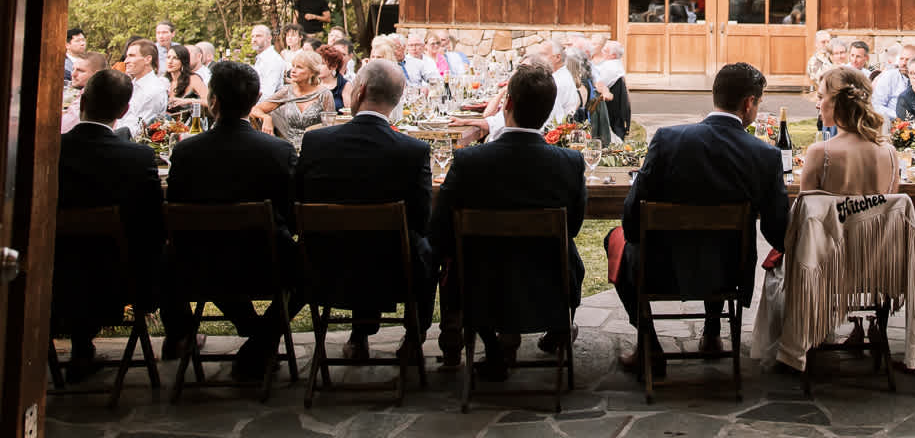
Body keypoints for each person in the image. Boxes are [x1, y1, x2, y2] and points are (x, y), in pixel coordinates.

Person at [609, 62, 790, 376]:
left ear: (715, 95)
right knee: (717, 244)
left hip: (659, 269)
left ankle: (649, 344)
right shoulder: (765, 156)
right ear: (749, 103)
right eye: (758, 103)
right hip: (728, 272)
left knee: (616, 238)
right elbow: (777, 231)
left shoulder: (668, 139)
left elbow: (631, 216)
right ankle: (711, 333)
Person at [431, 62, 587, 377]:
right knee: (568, 252)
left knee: (456, 258)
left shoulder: (469, 161)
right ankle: (557, 327)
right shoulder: (569, 163)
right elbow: (575, 225)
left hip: (478, 284)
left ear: (508, 104)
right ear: (547, 110)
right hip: (549, 282)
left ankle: (491, 345)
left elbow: (439, 230)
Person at [167, 60, 300, 381]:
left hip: (198, 268)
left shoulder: (185, 153)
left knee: (172, 254)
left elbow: (173, 215)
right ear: (254, 103)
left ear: (212, 101)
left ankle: (249, 334)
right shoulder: (278, 151)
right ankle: (261, 339)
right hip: (267, 265)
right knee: (315, 261)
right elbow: (295, 219)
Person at [294, 58, 433, 363]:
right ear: (396, 100)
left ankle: (360, 336)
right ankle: (415, 337)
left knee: (359, 237)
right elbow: (422, 221)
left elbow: (299, 202)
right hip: (394, 272)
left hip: (324, 268)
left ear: (359, 92)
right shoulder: (412, 152)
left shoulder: (317, 142)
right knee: (421, 246)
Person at [56, 69, 174, 374]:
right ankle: (179, 336)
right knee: (171, 255)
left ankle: (83, 346)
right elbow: (153, 221)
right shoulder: (137, 157)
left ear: (81, 100)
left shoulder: (50, 151)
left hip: (56, 274)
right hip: (123, 279)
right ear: (124, 111)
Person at [804, 66, 898, 194]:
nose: (817, 105)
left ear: (838, 102)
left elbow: (807, 211)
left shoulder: (819, 153)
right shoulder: (890, 153)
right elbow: (890, 210)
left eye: (821, 97)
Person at [252, 48, 329, 146]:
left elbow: (330, 126)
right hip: (288, 148)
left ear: (312, 72)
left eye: (299, 67)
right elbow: (254, 109)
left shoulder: (324, 94)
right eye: (293, 66)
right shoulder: (287, 91)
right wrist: (266, 118)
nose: (293, 71)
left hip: (315, 146)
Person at [114, 38, 169, 137]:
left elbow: (139, 130)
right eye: (127, 56)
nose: (126, 61)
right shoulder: (132, 84)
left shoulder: (154, 90)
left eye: (132, 56)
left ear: (147, 59)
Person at [871, 44, 915, 114]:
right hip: (891, 121)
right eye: (901, 59)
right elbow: (876, 105)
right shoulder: (889, 76)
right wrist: (899, 116)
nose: (903, 63)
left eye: (908, 60)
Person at [164, 42, 206, 111]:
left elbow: (209, 101)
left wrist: (187, 101)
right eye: (168, 57)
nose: (170, 61)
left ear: (183, 61)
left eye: (175, 58)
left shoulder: (193, 79)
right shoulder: (164, 80)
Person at [251, 23, 287, 98]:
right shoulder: (261, 58)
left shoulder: (273, 60)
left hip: (266, 107)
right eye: (252, 36)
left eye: (258, 36)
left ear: (269, 38)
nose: (254, 40)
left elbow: (267, 94)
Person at [315, 43, 348, 111]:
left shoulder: (344, 85)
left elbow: (348, 112)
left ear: (334, 66)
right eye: (317, 63)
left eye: (323, 64)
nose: (318, 67)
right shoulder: (312, 83)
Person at [805, 31, 836, 98]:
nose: (826, 44)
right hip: (824, 95)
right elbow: (821, 82)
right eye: (823, 42)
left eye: (828, 42)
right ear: (816, 44)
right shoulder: (814, 62)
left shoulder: (832, 56)